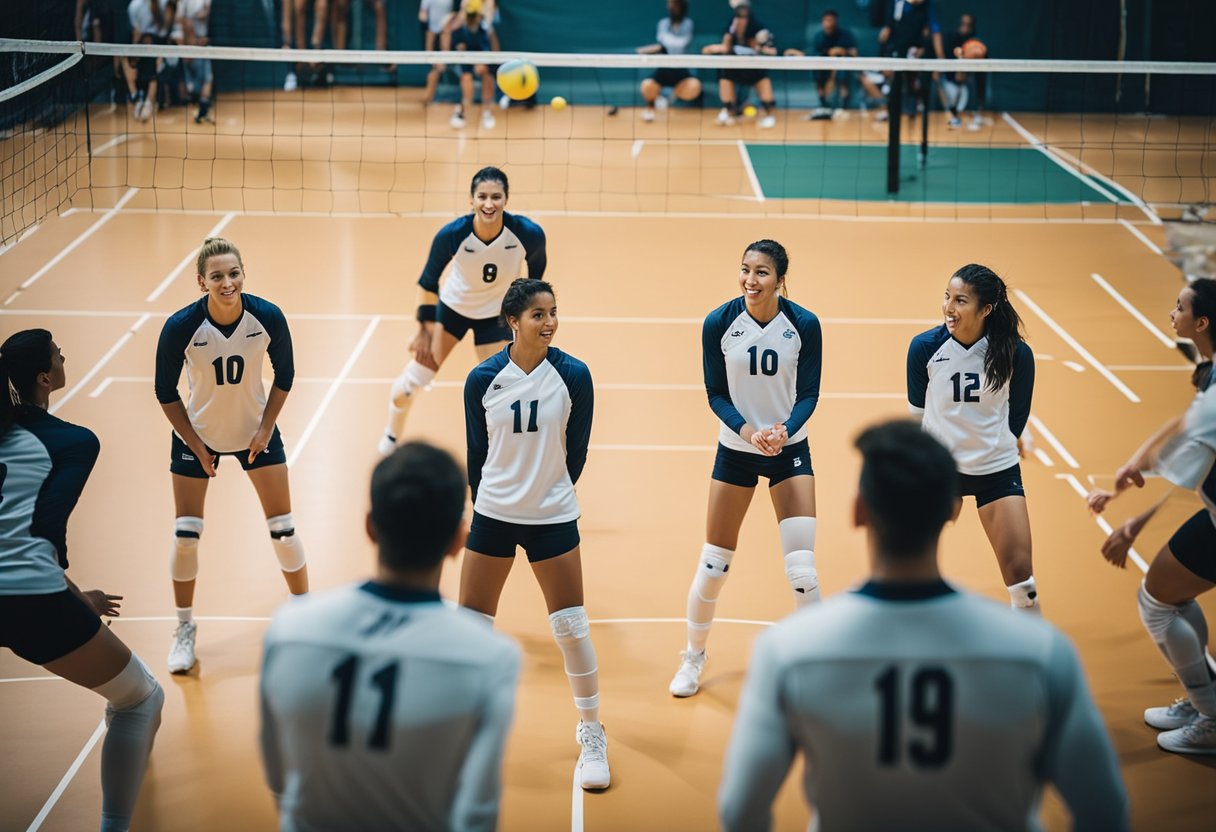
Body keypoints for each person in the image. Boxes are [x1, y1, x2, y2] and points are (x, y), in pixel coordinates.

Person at [718, 420, 1129, 830]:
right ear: (952, 510)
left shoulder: (789, 651)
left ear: (859, 511)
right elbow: (1104, 812)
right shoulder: (1041, 652)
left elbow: (740, 813)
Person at [260, 441, 521, 830]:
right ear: (458, 539)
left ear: (370, 526)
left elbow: (281, 778)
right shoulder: (490, 659)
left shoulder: (289, 630)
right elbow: (478, 812)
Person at [0, 329, 163, 832]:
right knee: (141, 699)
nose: (65, 354)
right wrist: (78, 598)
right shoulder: (74, 443)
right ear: (45, 377)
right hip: (26, 599)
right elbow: (38, 538)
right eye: (58, 353)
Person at [461, 278, 610, 790]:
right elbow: (476, 455)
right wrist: (497, 496)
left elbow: (577, 452)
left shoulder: (573, 375)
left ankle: (592, 731)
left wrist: (546, 491)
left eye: (553, 313)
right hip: (494, 513)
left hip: (551, 514)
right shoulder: (482, 378)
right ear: (513, 321)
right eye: (538, 315)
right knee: (472, 628)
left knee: (571, 627)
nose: (549, 322)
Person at [669, 239, 822, 698]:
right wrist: (747, 430)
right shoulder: (719, 322)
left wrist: (783, 428)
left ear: (780, 280)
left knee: (802, 571)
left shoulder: (804, 325)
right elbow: (715, 391)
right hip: (736, 448)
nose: (750, 281)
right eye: (745, 270)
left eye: (761, 273)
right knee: (714, 563)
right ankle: (693, 657)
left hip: (788, 449)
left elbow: (809, 393)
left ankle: (815, 667)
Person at [155, 237, 309, 675]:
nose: (227, 283)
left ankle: (304, 614)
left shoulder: (267, 316)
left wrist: (264, 428)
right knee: (186, 533)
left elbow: (287, 373)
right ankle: (184, 629)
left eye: (234, 274)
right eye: (217, 276)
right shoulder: (180, 326)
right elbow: (164, 391)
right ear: (201, 281)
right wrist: (195, 444)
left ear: (244, 275)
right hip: (197, 435)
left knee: (283, 529)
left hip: (254, 433)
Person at [1088, 278, 1216, 755]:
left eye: (1179, 307)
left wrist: (1131, 528)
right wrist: (1135, 463)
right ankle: (1205, 697)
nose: (1171, 312)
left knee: (1157, 604)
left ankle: (1210, 717)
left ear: (1200, 323)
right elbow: (1182, 423)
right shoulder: (1211, 371)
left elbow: (1182, 490)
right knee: (1168, 597)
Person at [378, 166, 546, 455]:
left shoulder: (528, 234)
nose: (489, 204)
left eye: (496, 196)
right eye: (482, 196)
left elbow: (534, 285)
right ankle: (392, 434)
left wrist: (525, 325)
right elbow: (428, 281)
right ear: (471, 201)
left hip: (495, 318)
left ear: (506, 198)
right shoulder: (453, 235)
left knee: (507, 388)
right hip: (453, 311)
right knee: (412, 383)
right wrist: (424, 330)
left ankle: (509, 452)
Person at [907, 263, 1038, 611]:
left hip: (995, 469)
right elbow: (917, 417)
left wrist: (993, 446)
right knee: (910, 570)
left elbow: (1017, 417)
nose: (949, 308)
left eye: (961, 300)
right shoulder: (924, 348)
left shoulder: (1016, 355)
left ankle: (1032, 659)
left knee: (1022, 580)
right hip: (941, 470)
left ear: (985, 309)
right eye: (947, 297)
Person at [702, 0, 779, 128]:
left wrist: (759, 48)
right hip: (735, 67)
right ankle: (728, 111)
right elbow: (725, 48)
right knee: (724, 75)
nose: (741, 22)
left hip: (754, 68)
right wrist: (717, 46)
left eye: (744, 19)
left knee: (763, 79)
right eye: (739, 18)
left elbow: (773, 51)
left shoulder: (759, 29)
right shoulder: (731, 28)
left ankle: (769, 114)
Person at [637, 0, 702, 123]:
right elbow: (665, 40)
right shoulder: (663, 23)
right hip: (664, 66)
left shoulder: (688, 23)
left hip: (681, 68)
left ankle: (668, 97)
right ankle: (650, 108)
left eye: (676, 5)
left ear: (682, 6)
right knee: (647, 85)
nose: (673, 8)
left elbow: (681, 44)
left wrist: (666, 44)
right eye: (671, 5)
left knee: (695, 86)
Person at [445, 0, 500, 129]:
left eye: (473, 15)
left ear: (478, 15)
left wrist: (488, 60)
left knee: (485, 75)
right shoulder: (460, 29)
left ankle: (486, 111)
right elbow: (456, 46)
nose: (470, 18)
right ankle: (460, 112)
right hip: (466, 62)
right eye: (468, 15)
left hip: (482, 61)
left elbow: (490, 47)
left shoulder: (485, 28)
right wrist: (460, 48)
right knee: (466, 81)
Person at [802, 9, 859, 117]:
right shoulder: (819, 37)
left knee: (842, 72)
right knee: (817, 72)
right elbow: (816, 53)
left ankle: (843, 106)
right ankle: (824, 105)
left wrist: (842, 51)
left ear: (836, 21)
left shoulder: (845, 35)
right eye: (825, 20)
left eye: (830, 20)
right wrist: (829, 53)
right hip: (824, 68)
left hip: (843, 67)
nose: (828, 23)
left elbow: (854, 52)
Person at [938, 12, 985, 130]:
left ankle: (973, 112)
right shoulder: (951, 37)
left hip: (965, 78)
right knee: (943, 87)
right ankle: (950, 115)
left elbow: (980, 53)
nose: (965, 27)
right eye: (963, 24)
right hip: (949, 77)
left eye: (968, 24)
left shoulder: (974, 40)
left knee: (972, 84)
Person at [179, 0, 214, 123]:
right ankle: (199, 108)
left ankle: (203, 110)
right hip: (193, 45)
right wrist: (192, 44)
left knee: (207, 78)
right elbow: (185, 23)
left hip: (202, 45)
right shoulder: (187, 3)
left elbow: (204, 15)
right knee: (198, 83)